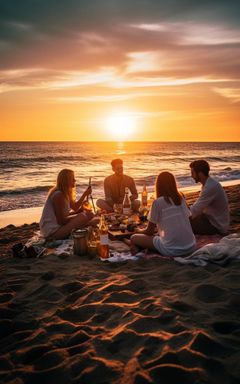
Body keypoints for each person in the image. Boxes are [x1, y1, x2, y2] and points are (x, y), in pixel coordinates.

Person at [130, 172, 196, 256]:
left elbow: (149, 231)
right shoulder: (181, 198)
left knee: (134, 237)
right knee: (157, 236)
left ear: (158, 185)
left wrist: (138, 230)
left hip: (172, 250)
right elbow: (188, 219)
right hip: (191, 246)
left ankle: (136, 247)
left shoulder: (157, 202)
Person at [40, 169, 97, 239]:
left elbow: (75, 207)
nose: (75, 181)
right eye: (72, 179)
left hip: (59, 227)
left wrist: (82, 206)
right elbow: (62, 221)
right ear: (66, 181)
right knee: (83, 216)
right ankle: (87, 224)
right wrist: (79, 215)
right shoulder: (59, 195)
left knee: (89, 214)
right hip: (52, 232)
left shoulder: (66, 193)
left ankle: (86, 224)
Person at [189, 160, 229, 235]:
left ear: (200, 173)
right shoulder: (209, 184)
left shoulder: (211, 187)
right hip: (211, 219)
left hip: (217, 225)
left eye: (192, 173)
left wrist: (181, 213)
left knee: (185, 223)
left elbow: (195, 210)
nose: (191, 176)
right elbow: (198, 208)